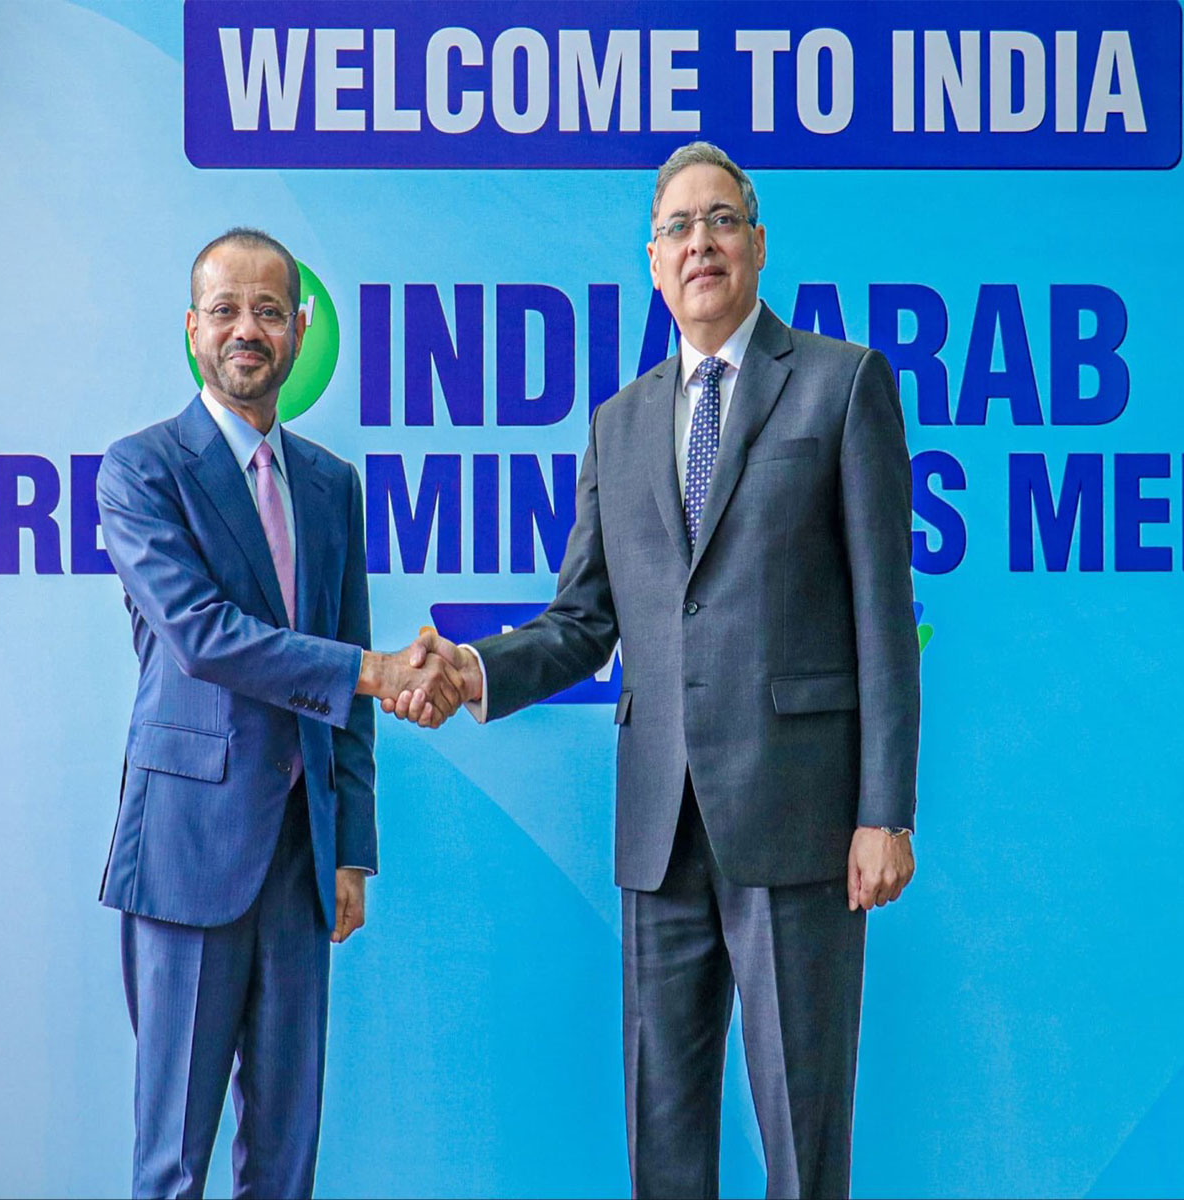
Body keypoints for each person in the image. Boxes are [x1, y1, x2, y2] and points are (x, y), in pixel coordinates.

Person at [396, 144, 921, 1199]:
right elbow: (585, 621)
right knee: (663, 1143)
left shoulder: (841, 382)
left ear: (758, 244)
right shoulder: (619, 421)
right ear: (651, 260)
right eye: (679, 227)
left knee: (802, 1140)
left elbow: (879, 612)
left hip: (799, 820)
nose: (701, 244)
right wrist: (473, 671)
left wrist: (884, 812)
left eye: (721, 221)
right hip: (657, 827)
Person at [96, 228, 464, 1198]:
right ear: (192, 329)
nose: (246, 331)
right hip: (187, 855)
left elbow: (350, 701)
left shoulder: (332, 487)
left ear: (300, 332)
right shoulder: (141, 472)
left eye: (268, 310)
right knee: (173, 1160)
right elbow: (206, 637)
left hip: (302, 862)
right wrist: (377, 671)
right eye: (225, 310)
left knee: (287, 1158)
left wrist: (351, 847)